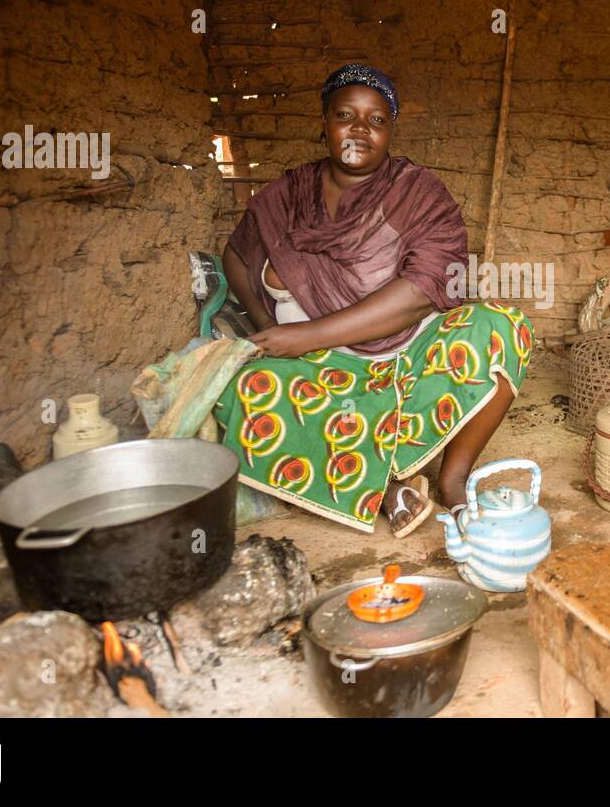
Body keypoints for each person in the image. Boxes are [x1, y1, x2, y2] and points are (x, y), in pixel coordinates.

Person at [214, 63, 533, 537]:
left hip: (408, 354)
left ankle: (453, 477)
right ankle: (387, 486)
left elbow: (424, 290)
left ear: (391, 129)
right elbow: (236, 256)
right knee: (241, 387)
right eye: (346, 115)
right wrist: (269, 329)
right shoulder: (285, 196)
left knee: (502, 325)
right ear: (325, 121)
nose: (360, 130)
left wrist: (306, 334)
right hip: (319, 368)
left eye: (377, 120)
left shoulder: (419, 196)